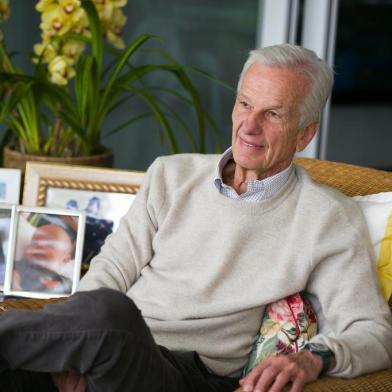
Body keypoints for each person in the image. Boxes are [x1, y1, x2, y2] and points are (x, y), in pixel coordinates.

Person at [0, 44, 391, 392]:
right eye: (244, 104)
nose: (249, 126)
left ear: (305, 134)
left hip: (185, 374)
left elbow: (374, 333)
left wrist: (314, 357)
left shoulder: (327, 217)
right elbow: (112, 269)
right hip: (103, 349)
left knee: (111, 313)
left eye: (272, 114)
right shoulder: (170, 175)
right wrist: (77, 344)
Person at [12, 214, 77, 294]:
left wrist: (61, 285)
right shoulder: (17, 266)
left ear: (65, 260)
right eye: (34, 242)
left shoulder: (63, 281)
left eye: (50, 245)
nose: (40, 246)